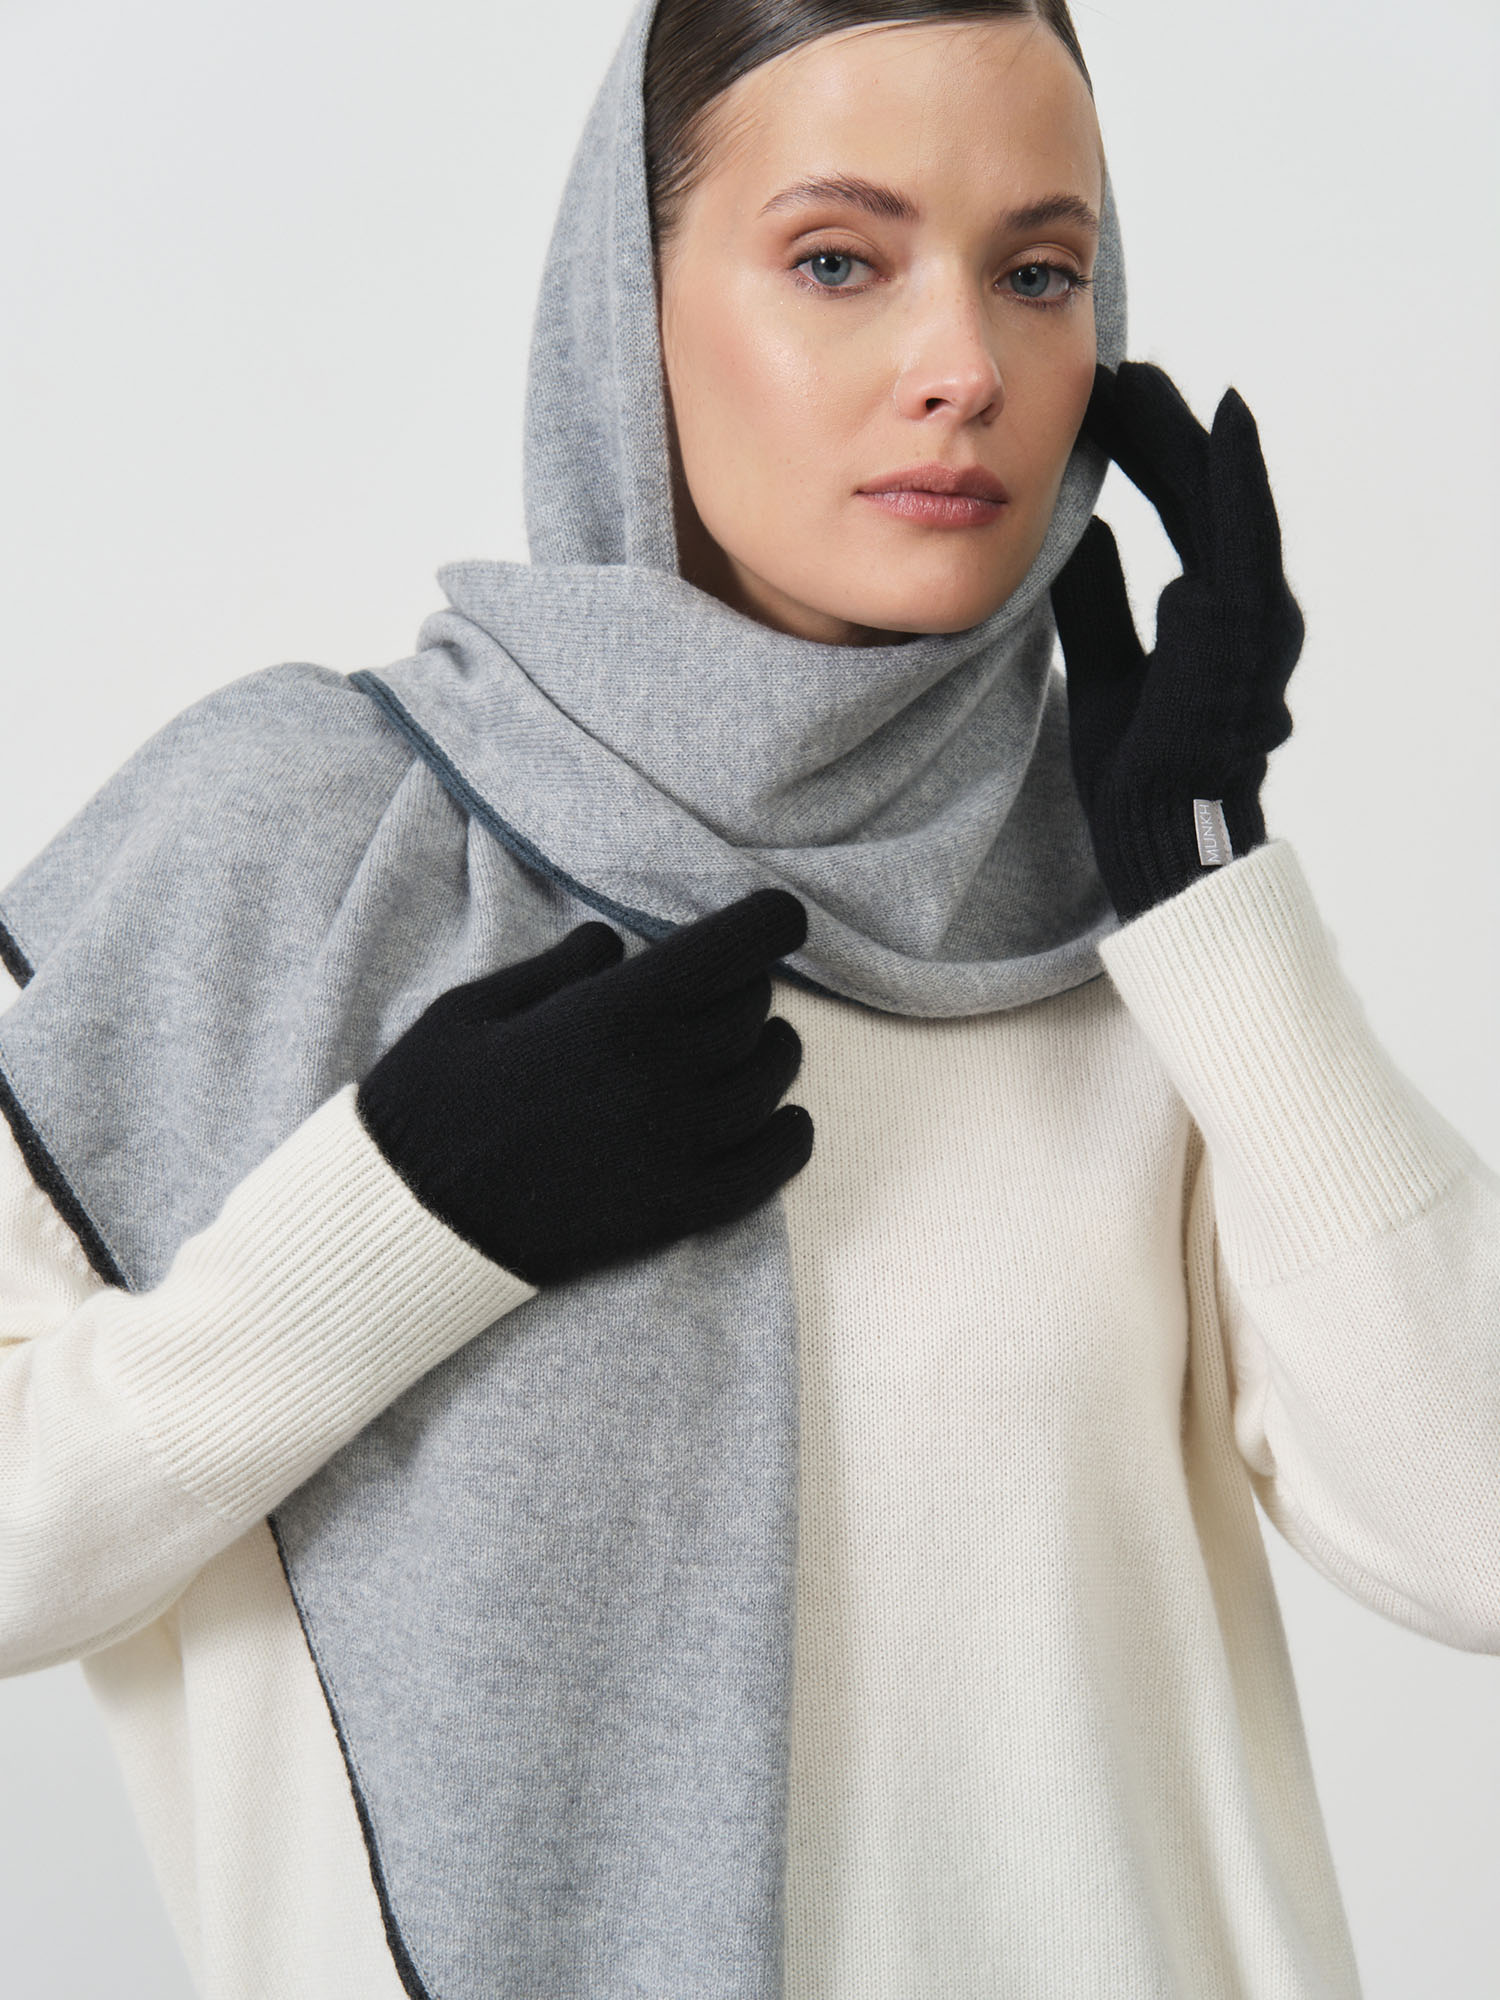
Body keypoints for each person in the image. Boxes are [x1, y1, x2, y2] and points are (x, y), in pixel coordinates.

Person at [0, 2, 1495, 1996]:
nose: (966, 367)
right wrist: (394, 1226)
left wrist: (1216, 890)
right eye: (840, 262)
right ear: (630, 310)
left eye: (1039, 273)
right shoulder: (305, 846)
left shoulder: (1132, 911)